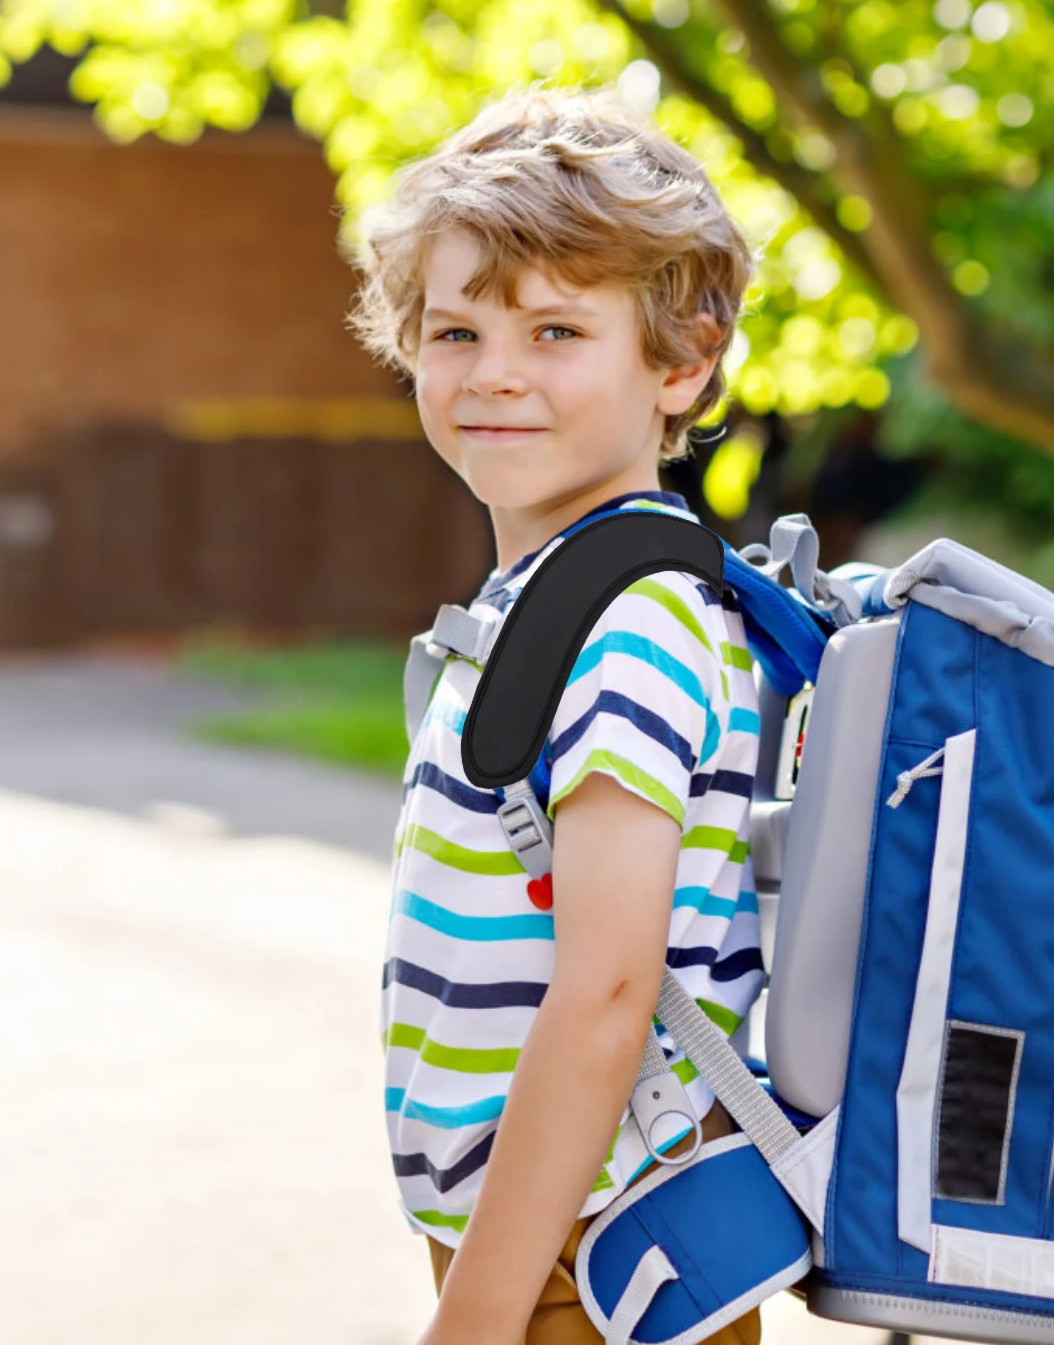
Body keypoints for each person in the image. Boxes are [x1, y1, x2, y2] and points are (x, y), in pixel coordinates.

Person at [344, 82, 767, 1345]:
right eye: (458, 332)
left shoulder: (627, 624)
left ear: (680, 366)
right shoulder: (553, 598)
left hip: (593, 1260)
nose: (495, 376)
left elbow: (607, 988)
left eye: (555, 334)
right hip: (553, 1241)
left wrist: (474, 1314)